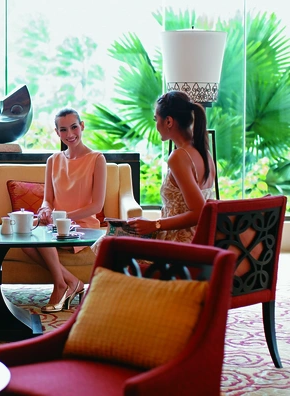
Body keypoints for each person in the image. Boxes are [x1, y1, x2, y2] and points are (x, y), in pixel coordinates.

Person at [28, 108, 107, 313]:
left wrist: (61, 218)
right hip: (56, 227)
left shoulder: (97, 159)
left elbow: (97, 206)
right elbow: (48, 199)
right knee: (25, 241)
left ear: (82, 126)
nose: (70, 134)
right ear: (57, 133)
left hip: (82, 228)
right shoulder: (53, 161)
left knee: (43, 239)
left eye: (74, 127)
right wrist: (45, 210)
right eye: (63, 130)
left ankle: (60, 285)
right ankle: (72, 281)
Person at [124, 90, 216, 241]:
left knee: (107, 245)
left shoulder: (179, 156)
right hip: (200, 241)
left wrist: (155, 225)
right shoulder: (204, 152)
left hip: (178, 246)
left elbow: (200, 211)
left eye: (156, 119)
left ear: (168, 121)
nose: (156, 125)